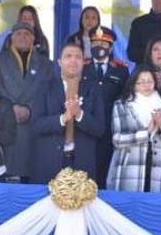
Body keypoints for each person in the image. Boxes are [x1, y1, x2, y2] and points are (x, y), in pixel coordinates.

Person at [29, 43, 105, 184]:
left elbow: (99, 129)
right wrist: (63, 118)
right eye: (68, 56)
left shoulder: (93, 89)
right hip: (50, 162)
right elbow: (36, 125)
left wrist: (79, 115)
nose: (73, 60)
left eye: (77, 57)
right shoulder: (45, 86)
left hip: (81, 162)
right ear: (59, 62)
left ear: (83, 62)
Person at [0, 22, 54, 181]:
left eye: (27, 34)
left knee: (32, 179)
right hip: (7, 126)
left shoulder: (46, 64)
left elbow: (48, 93)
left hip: (34, 126)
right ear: (11, 38)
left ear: (33, 38)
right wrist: (11, 107)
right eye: (18, 33)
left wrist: (30, 110)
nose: (22, 37)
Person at [107, 65, 161, 193]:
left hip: (160, 173)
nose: (146, 85)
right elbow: (117, 140)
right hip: (130, 172)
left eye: (150, 81)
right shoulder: (122, 105)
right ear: (133, 84)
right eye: (141, 82)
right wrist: (146, 133)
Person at [83, 26, 130, 188]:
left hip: (111, 130)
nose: (99, 48)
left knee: (106, 174)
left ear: (110, 47)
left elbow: (126, 99)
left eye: (103, 44)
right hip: (86, 128)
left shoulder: (121, 71)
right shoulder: (83, 67)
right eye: (95, 43)